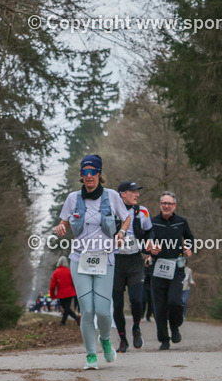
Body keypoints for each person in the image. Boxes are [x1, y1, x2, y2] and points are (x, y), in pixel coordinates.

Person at [53, 154, 132, 369]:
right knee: (87, 310)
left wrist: (121, 233)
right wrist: (61, 228)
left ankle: (105, 339)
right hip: (79, 259)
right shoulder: (72, 198)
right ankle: (90, 356)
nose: (89, 176)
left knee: (104, 311)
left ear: (99, 174)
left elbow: (126, 217)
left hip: (105, 258)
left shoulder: (112, 196)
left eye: (92, 172)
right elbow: (64, 222)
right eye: (85, 172)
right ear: (81, 175)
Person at [144, 191, 194, 349]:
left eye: (169, 204)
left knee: (175, 301)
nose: (166, 206)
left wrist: (189, 248)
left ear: (175, 206)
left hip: (177, 268)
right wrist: (150, 250)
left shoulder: (181, 222)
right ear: (160, 205)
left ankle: (175, 326)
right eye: (164, 203)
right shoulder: (152, 222)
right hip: (157, 268)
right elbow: (146, 242)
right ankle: (164, 339)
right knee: (159, 306)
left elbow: (190, 239)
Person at [112, 181, 152, 352]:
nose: (137, 195)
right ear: (122, 194)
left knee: (137, 300)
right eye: (133, 191)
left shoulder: (142, 211)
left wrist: (149, 243)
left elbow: (150, 231)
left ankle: (136, 328)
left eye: (137, 191)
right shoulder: (110, 211)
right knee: (118, 304)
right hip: (115, 262)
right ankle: (122, 339)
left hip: (135, 260)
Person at [50, 257, 80, 326]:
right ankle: (76, 318)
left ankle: (63, 322)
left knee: (65, 308)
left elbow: (52, 286)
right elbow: (74, 282)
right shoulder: (69, 271)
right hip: (70, 293)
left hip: (61, 293)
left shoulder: (56, 272)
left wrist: (53, 295)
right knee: (67, 308)